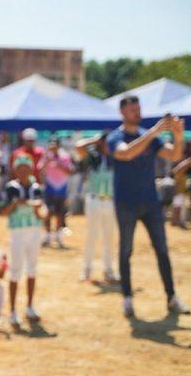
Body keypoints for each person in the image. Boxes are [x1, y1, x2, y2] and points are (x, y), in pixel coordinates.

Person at [107, 97, 189, 317]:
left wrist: (178, 135)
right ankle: (127, 298)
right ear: (122, 112)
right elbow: (126, 153)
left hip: (150, 202)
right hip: (126, 203)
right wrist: (154, 131)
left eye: (139, 109)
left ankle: (171, 297)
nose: (137, 112)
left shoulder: (150, 137)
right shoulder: (116, 137)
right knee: (126, 251)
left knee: (162, 250)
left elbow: (174, 155)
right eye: (133, 109)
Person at [0, 155, 46, 328]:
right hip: (17, 232)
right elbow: (3, 211)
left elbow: (41, 213)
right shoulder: (11, 188)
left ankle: (30, 306)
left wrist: (37, 210)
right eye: (20, 169)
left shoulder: (36, 188)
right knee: (15, 270)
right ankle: (12, 311)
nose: (24, 172)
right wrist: (15, 204)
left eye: (27, 168)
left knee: (32, 269)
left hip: (33, 231)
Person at [76, 131, 118, 282]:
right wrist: (95, 140)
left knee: (109, 237)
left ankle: (108, 269)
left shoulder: (115, 157)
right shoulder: (94, 157)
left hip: (110, 201)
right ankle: (87, 268)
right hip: (94, 200)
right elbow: (79, 147)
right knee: (92, 236)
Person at [39, 136, 74, 248]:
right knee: (48, 212)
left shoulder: (65, 157)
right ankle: (48, 236)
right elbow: (39, 169)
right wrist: (47, 160)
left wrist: (58, 164)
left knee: (60, 213)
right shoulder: (46, 156)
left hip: (62, 189)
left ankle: (58, 237)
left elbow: (70, 171)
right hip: (49, 189)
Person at [171, 155, 190, 229]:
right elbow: (177, 170)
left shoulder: (182, 174)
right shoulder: (178, 173)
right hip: (178, 192)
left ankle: (175, 222)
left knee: (178, 207)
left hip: (181, 192)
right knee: (177, 207)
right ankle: (175, 221)